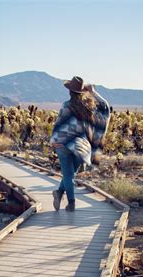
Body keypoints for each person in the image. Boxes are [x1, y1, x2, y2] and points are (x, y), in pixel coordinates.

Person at [50, 76, 110, 211]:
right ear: (83, 92)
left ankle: (68, 200)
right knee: (70, 174)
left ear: (70, 92)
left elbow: (59, 124)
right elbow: (105, 108)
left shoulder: (66, 106)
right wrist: (94, 92)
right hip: (80, 147)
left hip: (63, 143)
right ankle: (63, 197)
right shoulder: (89, 107)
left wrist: (54, 140)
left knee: (68, 174)